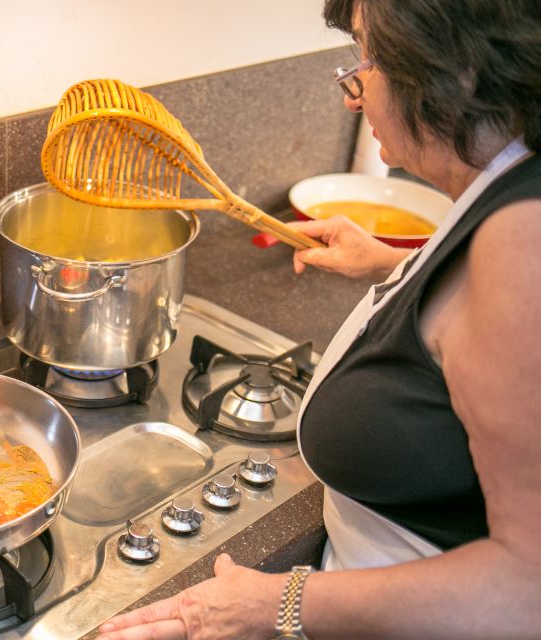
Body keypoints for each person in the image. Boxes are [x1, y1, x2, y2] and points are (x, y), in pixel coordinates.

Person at [98, 0, 541, 638]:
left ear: (458, 70)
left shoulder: (522, 241)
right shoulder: (511, 193)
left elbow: (526, 590)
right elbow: (476, 316)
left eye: (369, 58)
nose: (352, 98)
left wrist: (272, 605)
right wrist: (396, 265)